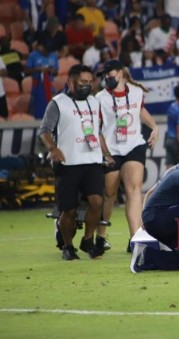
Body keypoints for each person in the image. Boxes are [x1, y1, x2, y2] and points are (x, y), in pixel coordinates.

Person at [38, 64, 114, 260]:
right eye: (82, 82)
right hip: (68, 163)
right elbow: (44, 130)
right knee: (69, 210)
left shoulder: (94, 102)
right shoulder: (58, 103)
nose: (87, 86)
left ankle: (87, 240)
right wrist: (53, 149)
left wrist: (105, 153)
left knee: (97, 202)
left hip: (92, 160)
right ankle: (68, 246)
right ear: (71, 82)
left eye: (90, 82)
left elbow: (96, 132)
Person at [95, 59, 159, 253]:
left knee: (134, 189)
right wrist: (104, 153)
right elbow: (97, 128)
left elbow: (139, 110)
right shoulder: (100, 98)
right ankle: (101, 235)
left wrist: (154, 126)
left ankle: (137, 239)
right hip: (111, 148)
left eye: (111, 75)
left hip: (133, 145)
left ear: (121, 73)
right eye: (105, 76)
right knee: (109, 194)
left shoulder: (136, 91)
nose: (108, 79)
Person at [25, 37, 59, 119]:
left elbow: (56, 71)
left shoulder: (53, 55)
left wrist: (51, 70)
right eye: (46, 49)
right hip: (37, 87)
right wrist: (38, 69)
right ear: (40, 46)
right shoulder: (33, 55)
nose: (48, 51)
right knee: (38, 110)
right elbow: (26, 70)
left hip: (50, 86)